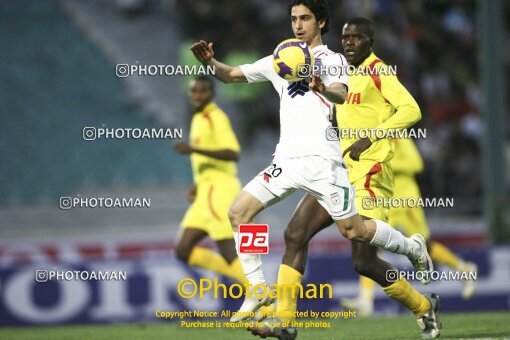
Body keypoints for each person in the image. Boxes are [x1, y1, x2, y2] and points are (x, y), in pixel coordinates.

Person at [190, 1, 432, 334]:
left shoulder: (333, 60)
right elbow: (232, 75)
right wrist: (209, 62)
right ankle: (258, 291)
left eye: (305, 18)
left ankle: (410, 247)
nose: (298, 25)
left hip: (325, 164)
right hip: (286, 161)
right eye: (293, 19)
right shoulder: (281, 57)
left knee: (355, 232)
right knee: (239, 212)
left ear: (320, 22)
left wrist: (322, 87)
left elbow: (341, 93)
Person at [250, 17, 442, 339]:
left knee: (363, 262)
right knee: (295, 233)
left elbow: (411, 110)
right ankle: (285, 321)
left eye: (357, 37)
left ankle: (422, 299)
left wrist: (372, 136)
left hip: (370, 170)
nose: (350, 42)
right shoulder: (338, 72)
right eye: (346, 37)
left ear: (370, 41)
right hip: (337, 170)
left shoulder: (378, 71)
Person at [341, 138, 478, 316]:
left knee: (424, 244)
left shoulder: (398, 137)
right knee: (370, 243)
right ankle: (365, 300)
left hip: (406, 198)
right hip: (385, 196)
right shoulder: (372, 137)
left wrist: (385, 160)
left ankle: (464, 269)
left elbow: (416, 164)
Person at [173, 76, 246, 288]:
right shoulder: (197, 118)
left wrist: (193, 149)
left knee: (227, 249)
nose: (196, 95)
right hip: (205, 191)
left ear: (211, 93)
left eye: (201, 91)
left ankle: (264, 302)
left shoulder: (216, 117)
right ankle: (247, 282)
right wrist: (198, 185)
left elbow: (233, 153)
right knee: (183, 250)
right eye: (193, 91)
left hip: (220, 190)